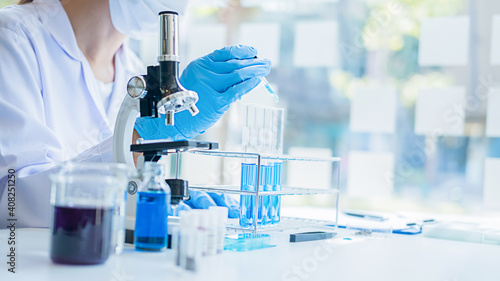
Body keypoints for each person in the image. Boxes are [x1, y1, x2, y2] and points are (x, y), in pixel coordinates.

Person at [0, 0, 271, 228]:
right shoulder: (12, 38)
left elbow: (124, 198)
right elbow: (15, 204)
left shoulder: (133, 70)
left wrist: (164, 196)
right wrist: (139, 135)